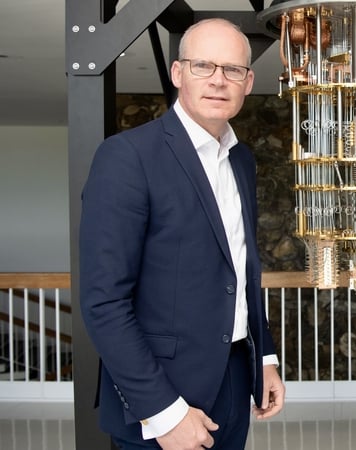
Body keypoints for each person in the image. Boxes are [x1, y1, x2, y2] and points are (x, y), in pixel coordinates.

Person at [79, 18, 285, 449]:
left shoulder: (241, 160)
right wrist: (164, 414)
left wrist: (263, 357)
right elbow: (104, 302)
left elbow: (241, 272)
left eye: (232, 70)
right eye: (202, 66)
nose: (218, 80)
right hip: (160, 395)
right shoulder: (127, 157)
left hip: (235, 378)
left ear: (248, 83)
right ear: (177, 73)